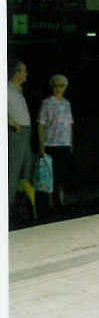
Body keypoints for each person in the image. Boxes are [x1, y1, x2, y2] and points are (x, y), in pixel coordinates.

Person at [37, 74, 75, 206]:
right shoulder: (46, 103)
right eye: (56, 85)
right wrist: (41, 146)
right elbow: (40, 124)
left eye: (62, 85)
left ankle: (61, 201)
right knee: (50, 176)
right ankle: (50, 203)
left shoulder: (67, 103)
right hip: (50, 144)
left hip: (64, 144)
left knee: (62, 174)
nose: (58, 88)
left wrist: (71, 144)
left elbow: (70, 124)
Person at [8, 59, 32, 207]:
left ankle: (20, 205)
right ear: (17, 73)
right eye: (24, 70)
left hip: (25, 130)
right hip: (16, 131)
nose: (26, 73)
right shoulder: (6, 88)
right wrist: (11, 122)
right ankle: (7, 206)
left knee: (26, 167)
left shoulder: (18, 90)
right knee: (13, 169)